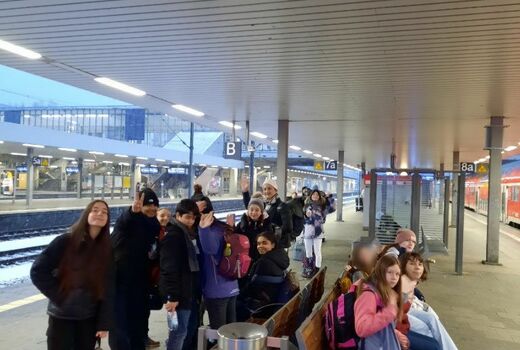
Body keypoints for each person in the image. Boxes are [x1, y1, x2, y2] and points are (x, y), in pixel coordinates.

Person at [30, 200, 114, 350]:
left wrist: (103, 323)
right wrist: (60, 295)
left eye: (104, 212)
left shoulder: (106, 250)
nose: (100, 213)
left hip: (89, 319)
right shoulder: (65, 241)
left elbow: (108, 287)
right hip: (62, 317)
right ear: (86, 215)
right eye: (95, 210)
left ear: (108, 220)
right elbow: (38, 270)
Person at [110, 189, 161, 350]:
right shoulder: (128, 221)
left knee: (138, 325)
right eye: (148, 206)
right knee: (121, 327)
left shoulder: (152, 224)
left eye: (155, 206)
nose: (152, 209)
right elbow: (125, 221)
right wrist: (133, 212)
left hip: (141, 281)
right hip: (122, 282)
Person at [160, 199, 202, 350]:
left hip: (186, 291)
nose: (191, 221)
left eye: (193, 218)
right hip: (178, 295)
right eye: (188, 217)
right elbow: (168, 268)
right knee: (178, 332)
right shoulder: (174, 236)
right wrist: (171, 296)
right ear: (178, 215)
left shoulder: (187, 234)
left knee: (184, 330)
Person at [399, 253, 458, 350]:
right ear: (403, 266)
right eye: (412, 264)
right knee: (426, 330)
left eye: (420, 264)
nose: (417, 267)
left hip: (407, 311)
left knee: (432, 318)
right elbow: (399, 306)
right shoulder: (402, 280)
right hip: (399, 314)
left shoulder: (413, 282)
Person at [198, 212, 240, 330]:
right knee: (232, 330)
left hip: (217, 290)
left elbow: (210, 249)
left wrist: (203, 229)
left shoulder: (210, 232)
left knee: (219, 332)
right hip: (232, 286)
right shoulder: (225, 229)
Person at [237, 231, 290, 321]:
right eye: (258, 244)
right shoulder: (280, 258)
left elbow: (251, 288)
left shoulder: (263, 263)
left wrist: (237, 295)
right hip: (272, 302)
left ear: (273, 245)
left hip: (261, 308)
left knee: (232, 304)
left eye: (264, 243)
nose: (260, 246)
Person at [354, 254, 403, 350]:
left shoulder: (385, 292)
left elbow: (381, 325)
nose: (394, 277)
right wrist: (390, 310)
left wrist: (395, 333)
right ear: (381, 272)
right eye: (390, 272)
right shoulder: (368, 295)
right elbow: (362, 328)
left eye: (397, 274)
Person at [241, 176, 293, 248]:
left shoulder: (282, 206)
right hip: (266, 242)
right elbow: (251, 208)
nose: (266, 191)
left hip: (279, 244)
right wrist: (245, 192)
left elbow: (288, 227)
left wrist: (272, 234)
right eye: (264, 189)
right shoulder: (264, 204)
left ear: (275, 190)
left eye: (269, 188)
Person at [235, 197, 272, 262]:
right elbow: (235, 235)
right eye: (251, 210)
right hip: (245, 257)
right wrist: (230, 226)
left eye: (257, 210)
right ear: (248, 211)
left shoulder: (266, 224)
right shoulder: (242, 224)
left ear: (261, 212)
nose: (253, 212)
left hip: (261, 257)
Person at [301, 189, 327, 278]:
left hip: (318, 231)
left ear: (319, 197)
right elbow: (305, 215)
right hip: (308, 231)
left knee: (317, 251)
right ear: (311, 196)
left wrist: (316, 216)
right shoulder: (306, 206)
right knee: (308, 252)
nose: (315, 196)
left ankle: (317, 269)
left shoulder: (322, 207)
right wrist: (307, 215)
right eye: (313, 194)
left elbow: (323, 219)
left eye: (317, 195)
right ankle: (309, 269)